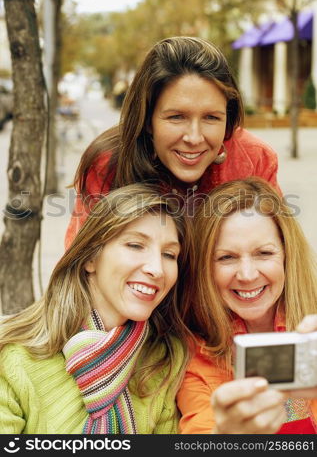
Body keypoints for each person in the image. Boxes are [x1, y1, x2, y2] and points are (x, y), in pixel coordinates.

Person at [0, 184, 194, 434]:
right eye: (135, 245)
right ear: (91, 258)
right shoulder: (14, 358)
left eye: (169, 254)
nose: (156, 269)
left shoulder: (164, 358)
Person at [65, 36, 281, 249]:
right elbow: (81, 269)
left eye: (211, 117)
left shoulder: (255, 159)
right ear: (147, 119)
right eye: (176, 117)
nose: (194, 138)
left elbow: (278, 257)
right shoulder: (107, 163)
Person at [177, 177, 317, 434]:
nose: (247, 274)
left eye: (264, 253)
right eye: (226, 257)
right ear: (205, 268)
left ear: (287, 255)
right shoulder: (194, 356)